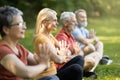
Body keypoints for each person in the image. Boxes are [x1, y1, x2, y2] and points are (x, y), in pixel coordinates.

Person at [0, 6, 51, 80]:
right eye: (19, 24)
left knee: (51, 77)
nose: (24, 27)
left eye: (24, 23)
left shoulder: (20, 48)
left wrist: (44, 61)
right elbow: (27, 73)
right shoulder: (2, 50)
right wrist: (43, 64)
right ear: (6, 29)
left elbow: (45, 66)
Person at [34, 8, 84, 80]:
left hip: (54, 73)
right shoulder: (42, 38)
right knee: (76, 68)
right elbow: (58, 59)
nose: (57, 23)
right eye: (54, 20)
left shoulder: (49, 36)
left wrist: (65, 54)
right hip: (47, 76)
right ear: (44, 22)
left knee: (79, 59)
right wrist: (62, 55)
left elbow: (64, 49)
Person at [72, 9, 104, 78]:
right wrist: (92, 39)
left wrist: (93, 38)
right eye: (82, 17)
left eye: (85, 17)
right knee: (91, 48)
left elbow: (96, 39)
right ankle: (98, 60)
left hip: (85, 52)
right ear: (76, 18)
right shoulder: (74, 29)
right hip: (79, 54)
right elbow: (85, 41)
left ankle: (90, 70)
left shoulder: (84, 29)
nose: (84, 19)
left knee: (99, 44)